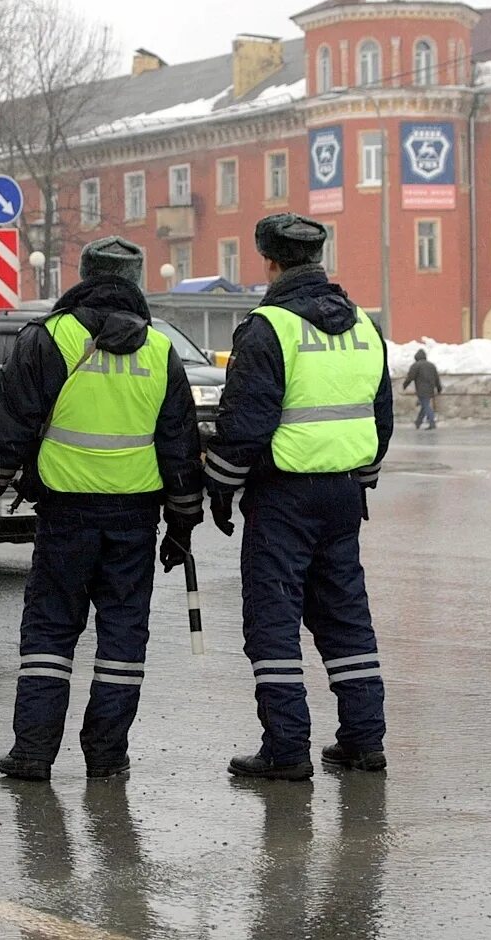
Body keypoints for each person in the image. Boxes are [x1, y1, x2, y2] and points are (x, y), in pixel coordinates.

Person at [0, 236, 205, 782]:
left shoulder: (50, 339)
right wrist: (183, 522)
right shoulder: (160, 351)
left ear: (83, 275)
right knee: (123, 637)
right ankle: (106, 754)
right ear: (136, 282)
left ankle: (32, 752)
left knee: (51, 633)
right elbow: (179, 447)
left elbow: (8, 427)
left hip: (65, 516)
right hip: (134, 520)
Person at [204, 213, 393, 781]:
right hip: (342, 495)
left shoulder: (268, 328)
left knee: (273, 621)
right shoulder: (364, 325)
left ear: (270, 263)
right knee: (345, 618)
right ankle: (363, 740)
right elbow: (380, 418)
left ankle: (286, 749)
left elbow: (245, 424)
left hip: (283, 496)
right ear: (318, 259)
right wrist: (361, 476)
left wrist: (220, 485)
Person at [402, 348, 442, 430]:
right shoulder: (431, 365)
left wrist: (405, 385)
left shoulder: (416, 365)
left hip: (421, 389)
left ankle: (432, 422)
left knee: (426, 405)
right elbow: (436, 378)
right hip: (430, 389)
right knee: (424, 405)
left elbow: (410, 377)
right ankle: (418, 422)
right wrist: (439, 388)